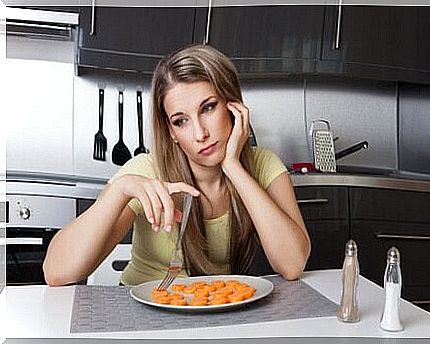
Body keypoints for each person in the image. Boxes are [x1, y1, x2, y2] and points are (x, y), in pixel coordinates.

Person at [43, 44, 311, 286]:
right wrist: (120, 190)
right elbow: (56, 272)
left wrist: (233, 166)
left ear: (233, 106)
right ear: (170, 131)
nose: (200, 134)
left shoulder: (263, 165)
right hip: (145, 317)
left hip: (215, 312)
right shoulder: (147, 171)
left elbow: (292, 265)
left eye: (208, 108)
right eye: (181, 121)